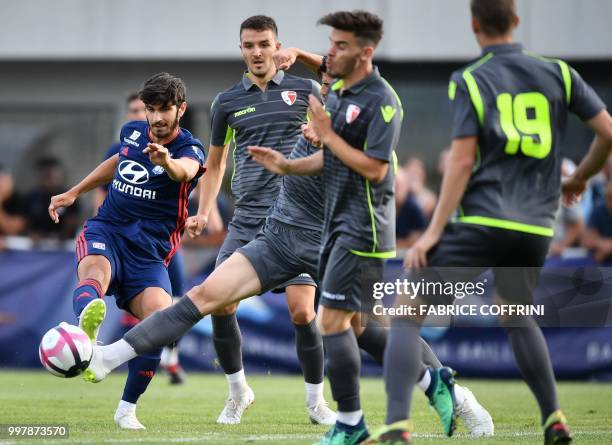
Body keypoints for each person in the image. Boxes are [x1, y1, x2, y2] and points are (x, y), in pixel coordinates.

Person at [371, 1, 612, 444]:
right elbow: (608, 132)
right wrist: (580, 177)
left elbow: (462, 160)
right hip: (537, 228)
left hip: (483, 221)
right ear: (517, 21)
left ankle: (397, 427)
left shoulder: (471, 78)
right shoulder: (559, 73)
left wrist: (434, 230)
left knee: (405, 312)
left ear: (474, 25)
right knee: (517, 315)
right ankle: (554, 418)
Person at [183, 15, 335, 425]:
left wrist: (302, 54)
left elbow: (341, 75)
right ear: (242, 50)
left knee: (303, 313)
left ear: (276, 46)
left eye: (264, 44)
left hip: (297, 218)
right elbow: (214, 165)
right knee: (219, 303)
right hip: (248, 220)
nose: (256, 52)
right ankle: (238, 392)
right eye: (249, 45)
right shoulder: (226, 102)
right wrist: (204, 210)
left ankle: (316, 402)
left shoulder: (305, 89)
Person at [48, 72, 206, 429]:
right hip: (108, 229)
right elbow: (118, 162)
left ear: (180, 109)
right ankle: (86, 335)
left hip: (149, 251)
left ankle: (126, 409)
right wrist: (75, 191)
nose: (157, 117)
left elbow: (186, 172)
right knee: (95, 275)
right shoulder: (132, 132)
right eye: (151, 109)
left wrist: (165, 161)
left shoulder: (188, 148)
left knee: (160, 323)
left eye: (165, 109)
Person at [94, 92, 194, 386]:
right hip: (123, 234)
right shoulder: (123, 144)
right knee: (134, 300)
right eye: (137, 110)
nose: (142, 115)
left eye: (146, 109)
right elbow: (104, 187)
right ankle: (127, 359)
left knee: (175, 303)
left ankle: (171, 362)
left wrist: (204, 213)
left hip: (159, 240)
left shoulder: (181, 146)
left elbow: (187, 178)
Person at [26, 156, 81, 240]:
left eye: (51, 174)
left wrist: (65, 233)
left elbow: (75, 220)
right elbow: (25, 222)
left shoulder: (68, 196)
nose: (49, 178)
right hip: (37, 246)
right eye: (45, 175)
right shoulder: (32, 197)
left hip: (65, 246)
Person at [581, 180, 612, 264]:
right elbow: (586, 241)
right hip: (598, 260)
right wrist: (604, 245)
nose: (609, 201)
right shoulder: (599, 209)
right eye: (607, 197)